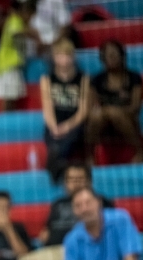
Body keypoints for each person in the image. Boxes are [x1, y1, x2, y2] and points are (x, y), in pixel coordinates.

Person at [40, 38, 89, 183]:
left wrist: (67, 126)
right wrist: (54, 126)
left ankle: (55, 168)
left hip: (75, 123)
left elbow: (83, 110)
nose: (64, 60)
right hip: (55, 122)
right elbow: (47, 108)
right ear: (54, 58)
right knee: (54, 139)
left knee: (67, 141)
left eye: (67, 55)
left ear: (73, 57)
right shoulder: (47, 79)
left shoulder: (83, 78)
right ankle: (58, 166)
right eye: (60, 56)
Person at [88, 40, 143, 163]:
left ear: (122, 56)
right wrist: (108, 112)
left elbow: (135, 107)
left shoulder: (134, 77)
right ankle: (90, 156)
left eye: (115, 54)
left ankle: (139, 152)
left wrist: (115, 112)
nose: (112, 58)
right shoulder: (96, 80)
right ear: (103, 59)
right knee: (96, 117)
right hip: (103, 125)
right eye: (108, 55)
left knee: (113, 112)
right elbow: (93, 106)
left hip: (128, 122)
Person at [0, 0, 38, 111]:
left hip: (10, 64)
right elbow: (16, 32)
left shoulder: (16, 21)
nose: (30, 20)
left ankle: (8, 120)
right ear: (25, 12)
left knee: (11, 97)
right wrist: (33, 34)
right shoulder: (15, 20)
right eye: (30, 16)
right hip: (8, 64)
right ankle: (4, 123)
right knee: (7, 98)